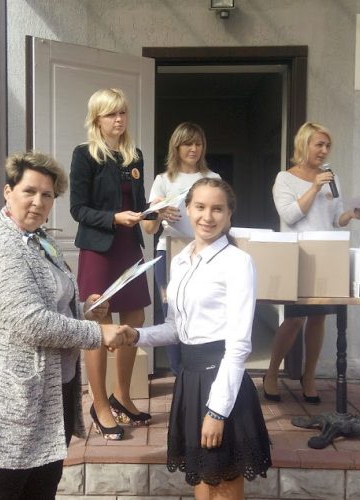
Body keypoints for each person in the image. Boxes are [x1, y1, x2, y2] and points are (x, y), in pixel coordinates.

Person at [0, 151, 136, 499]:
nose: (38, 202)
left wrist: (84, 310)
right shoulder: (1, 247)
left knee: (40, 491)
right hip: (7, 405)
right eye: (29, 191)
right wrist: (97, 333)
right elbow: (31, 321)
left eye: (47, 195)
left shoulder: (37, 239)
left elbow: (49, 304)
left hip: (46, 396)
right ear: (8, 192)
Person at [134, 178, 271, 499]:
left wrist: (217, 412)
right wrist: (134, 335)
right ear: (187, 209)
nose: (207, 216)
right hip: (190, 381)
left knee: (223, 484)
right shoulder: (181, 261)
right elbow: (176, 328)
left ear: (229, 215)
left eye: (217, 209)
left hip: (222, 384)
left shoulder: (237, 263)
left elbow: (239, 345)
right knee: (202, 480)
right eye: (200, 207)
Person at [263, 122, 360, 404]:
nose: (324, 150)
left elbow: (334, 219)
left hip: (326, 254)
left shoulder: (332, 178)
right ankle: (272, 373)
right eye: (318, 144)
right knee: (295, 318)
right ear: (304, 145)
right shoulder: (285, 178)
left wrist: (351, 215)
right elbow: (289, 215)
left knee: (319, 318)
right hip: (297, 255)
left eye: (327, 146)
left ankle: (309, 377)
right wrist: (314, 187)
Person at [70, 88, 151, 439]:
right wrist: (114, 218)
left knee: (135, 318)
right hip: (99, 249)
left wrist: (156, 212)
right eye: (111, 114)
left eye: (122, 113)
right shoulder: (84, 155)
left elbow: (140, 205)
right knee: (99, 324)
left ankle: (122, 397)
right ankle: (100, 405)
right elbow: (78, 209)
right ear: (97, 119)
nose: (119, 120)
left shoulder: (135, 156)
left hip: (129, 246)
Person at [142, 122, 221, 374]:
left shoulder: (213, 179)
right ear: (176, 147)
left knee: (203, 309)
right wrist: (158, 212)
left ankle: (202, 369)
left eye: (198, 144)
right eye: (187, 144)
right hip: (169, 252)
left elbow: (226, 221)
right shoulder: (163, 180)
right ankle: (179, 373)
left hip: (206, 254)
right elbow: (148, 229)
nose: (193, 149)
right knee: (172, 311)